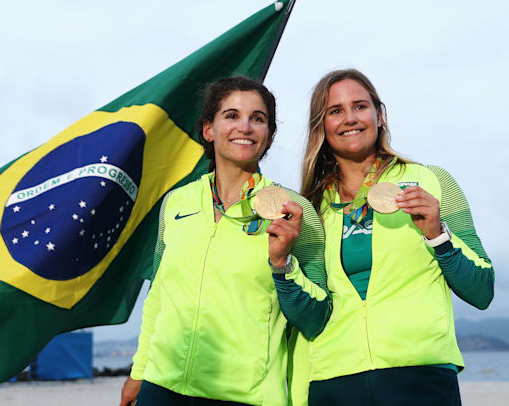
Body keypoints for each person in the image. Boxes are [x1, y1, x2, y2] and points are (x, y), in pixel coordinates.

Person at [119, 76, 332, 406]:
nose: (244, 127)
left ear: (269, 136)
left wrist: (283, 264)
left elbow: (317, 317)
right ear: (208, 129)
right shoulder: (176, 203)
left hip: (245, 397)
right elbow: (159, 295)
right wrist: (139, 372)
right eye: (231, 116)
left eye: (257, 119)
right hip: (161, 389)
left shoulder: (294, 210)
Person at [296, 69, 495, 406]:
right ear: (322, 126)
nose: (349, 119)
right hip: (335, 379)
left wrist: (437, 234)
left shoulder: (433, 181)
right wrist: (281, 262)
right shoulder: (311, 207)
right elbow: (310, 314)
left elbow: (482, 291)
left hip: (420, 375)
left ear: (379, 114)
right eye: (335, 111)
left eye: (359, 106)